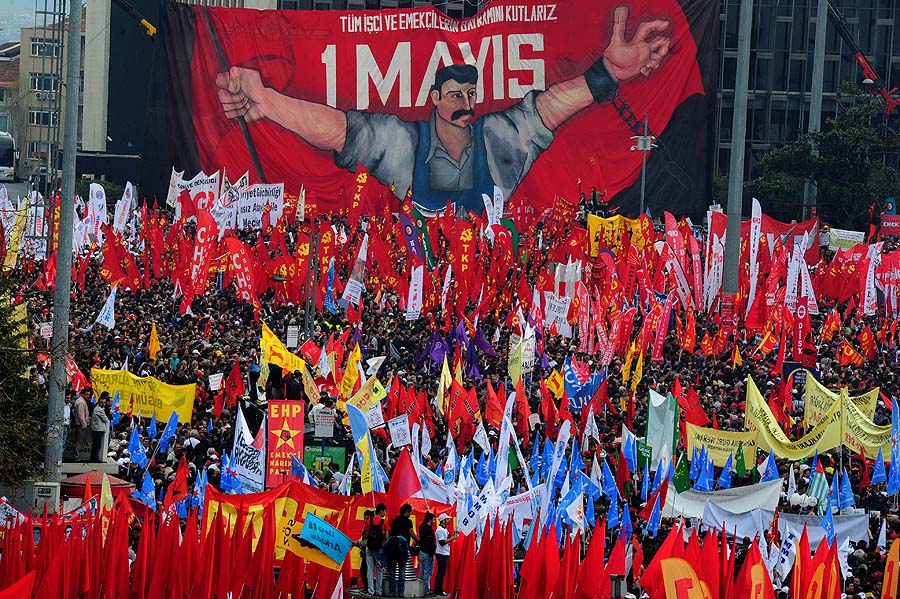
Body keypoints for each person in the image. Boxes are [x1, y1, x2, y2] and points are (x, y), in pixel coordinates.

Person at [215, 6, 671, 212]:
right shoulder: (404, 145)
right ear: (435, 99)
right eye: (455, 95)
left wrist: (606, 75)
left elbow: (547, 109)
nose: (465, 105)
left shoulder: (496, 143)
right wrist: (269, 101)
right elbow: (343, 131)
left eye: (470, 96)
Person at [386, 503, 418, 597]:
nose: (411, 514)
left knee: (392, 571)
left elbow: (389, 531)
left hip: (392, 548)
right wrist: (418, 541)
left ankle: (392, 592)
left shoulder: (395, 520)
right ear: (407, 511)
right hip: (403, 550)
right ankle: (401, 592)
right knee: (402, 572)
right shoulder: (408, 521)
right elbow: (412, 533)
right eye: (410, 512)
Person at [364, 503, 388, 596]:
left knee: (369, 569)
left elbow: (366, 534)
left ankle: (370, 591)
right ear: (380, 511)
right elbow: (386, 536)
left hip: (369, 547)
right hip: (379, 548)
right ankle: (379, 591)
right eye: (385, 511)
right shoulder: (384, 522)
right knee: (379, 569)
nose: (385, 513)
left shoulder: (369, 521)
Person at [434, 514, 458, 596]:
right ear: (443, 520)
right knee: (441, 572)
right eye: (447, 519)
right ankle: (439, 590)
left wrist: (454, 535)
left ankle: (438, 589)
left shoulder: (444, 529)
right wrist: (452, 538)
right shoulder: (440, 530)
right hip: (441, 553)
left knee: (441, 572)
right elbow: (442, 542)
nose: (449, 520)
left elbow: (447, 538)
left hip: (444, 553)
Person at [418, 512, 437, 596]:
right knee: (428, 573)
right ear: (430, 520)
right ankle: (426, 591)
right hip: (427, 554)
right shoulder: (429, 530)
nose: (435, 521)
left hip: (421, 552)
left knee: (422, 572)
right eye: (433, 519)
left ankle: (420, 590)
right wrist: (431, 554)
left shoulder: (421, 527)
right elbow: (430, 543)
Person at [72, 388, 92, 462]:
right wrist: (84, 425)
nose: (88, 396)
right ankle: (76, 457)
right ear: (82, 394)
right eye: (86, 394)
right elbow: (81, 416)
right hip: (80, 425)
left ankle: (77, 456)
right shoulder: (81, 402)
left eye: (88, 394)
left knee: (79, 441)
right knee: (79, 442)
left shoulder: (82, 401)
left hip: (81, 424)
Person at [90, 393, 111, 462]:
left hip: (98, 429)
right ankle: (94, 459)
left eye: (104, 402)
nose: (103, 404)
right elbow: (106, 419)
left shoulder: (101, 409)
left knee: (97, 445)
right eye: (101, 402)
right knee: (96, 445)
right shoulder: (99, 409)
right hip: (97, 429)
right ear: (98, 402)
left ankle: (95, 458)